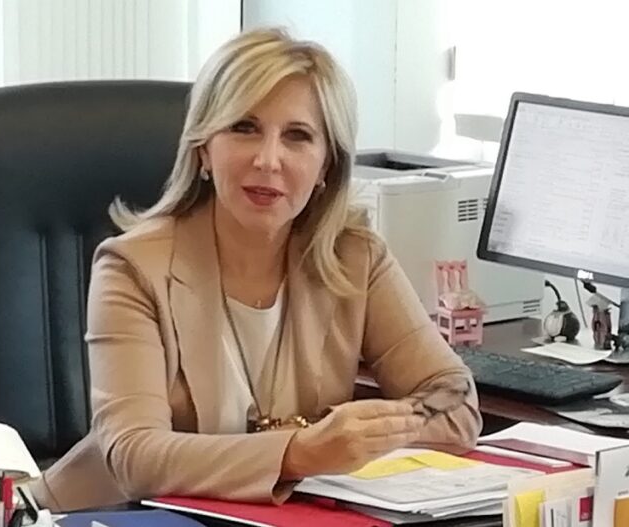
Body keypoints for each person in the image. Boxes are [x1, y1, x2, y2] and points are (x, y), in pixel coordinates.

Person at [31, 27, 482, 511]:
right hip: (112, 515)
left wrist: (356, 435)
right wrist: (301, 450)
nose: (268, 160)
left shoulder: (355, 259)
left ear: (326, 165)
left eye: (297, 136)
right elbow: (134, 456)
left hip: (271, 516)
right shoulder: (133, 267)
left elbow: (455, 403)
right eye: (244, 128)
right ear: (203, 148)